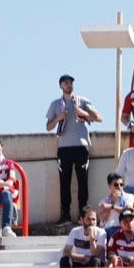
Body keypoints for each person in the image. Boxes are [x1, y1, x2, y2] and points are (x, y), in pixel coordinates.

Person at [46, 74, 102, 225]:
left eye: (70, 82)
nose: (68, 85)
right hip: (64, 148)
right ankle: (65, 215)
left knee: (83, 182)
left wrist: (83, 113)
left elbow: (98, 117)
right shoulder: (55, 104)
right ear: (60, 86)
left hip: (81, 146)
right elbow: (48, 127)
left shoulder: (82, 101)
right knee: (64, 182)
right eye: (65, 83)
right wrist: (58, 118)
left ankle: (83, 216)